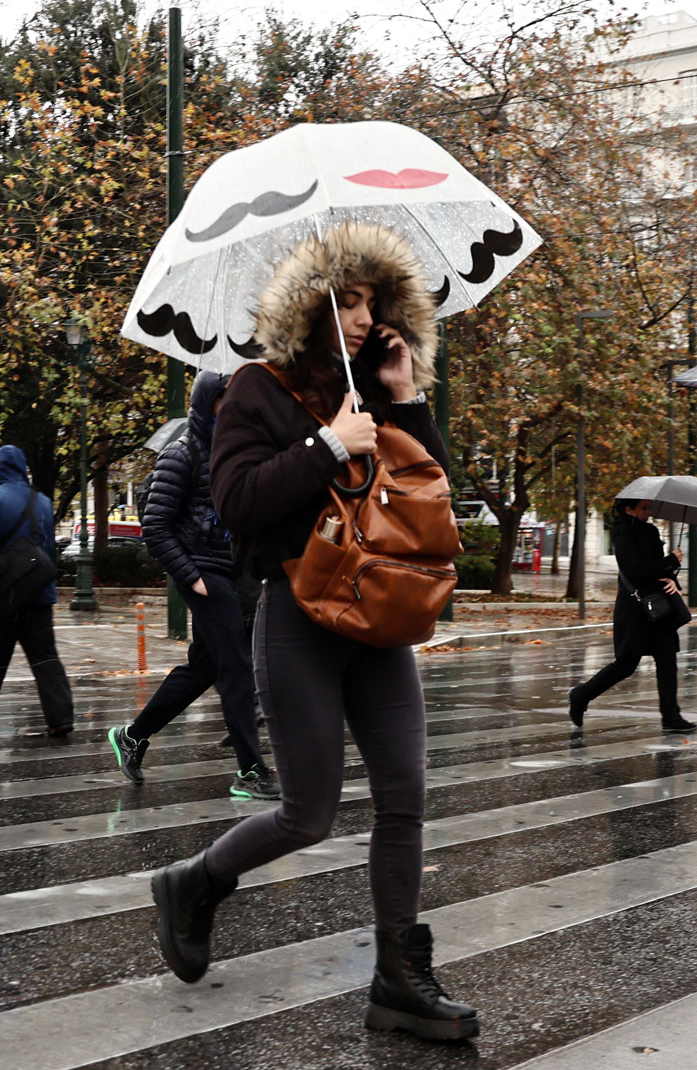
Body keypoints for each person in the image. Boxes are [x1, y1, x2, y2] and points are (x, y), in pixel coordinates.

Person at [149, 223, 477, 1041]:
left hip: (379, 617)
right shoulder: (252, 390)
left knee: (405, 796)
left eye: (374, 302)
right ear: (314, 305)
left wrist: (403, 400)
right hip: (298, 611)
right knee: (308, 812)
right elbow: (237, 504)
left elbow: (425, 495)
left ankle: (399, 981)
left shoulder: (372, 389)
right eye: (350, 301)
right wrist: (330, 443)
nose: (364, 318)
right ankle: (194, 881)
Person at [109, 370, 277, 800]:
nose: (235, 408)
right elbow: (155, 526)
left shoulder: (233, 451)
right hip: (204, 572)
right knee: (237, 667)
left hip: (232, 570)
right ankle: (251, 771)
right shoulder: (180, 454)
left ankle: (133, 736)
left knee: (206, 666)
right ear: (209, 402)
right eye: (227, 400)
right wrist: (192, 578)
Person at [0, 444, 74, 735]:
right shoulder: (43, 501)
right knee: (45, 656)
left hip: (1, 596)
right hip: (38, 594)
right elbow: (48, 549)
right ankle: (60, 716)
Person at [565, 499, 697, 734]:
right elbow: (635, 569)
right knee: (626, 665)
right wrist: (671, 561)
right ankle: (581, 694)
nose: (649, 512)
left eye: (649, 508)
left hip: (659, 608)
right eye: (644, 508)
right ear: (629, 509)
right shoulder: (622, 533)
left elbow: (658, 569)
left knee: (667, 661)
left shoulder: (651, 530)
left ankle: (671, 717)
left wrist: (672, 580)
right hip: (636, 608)